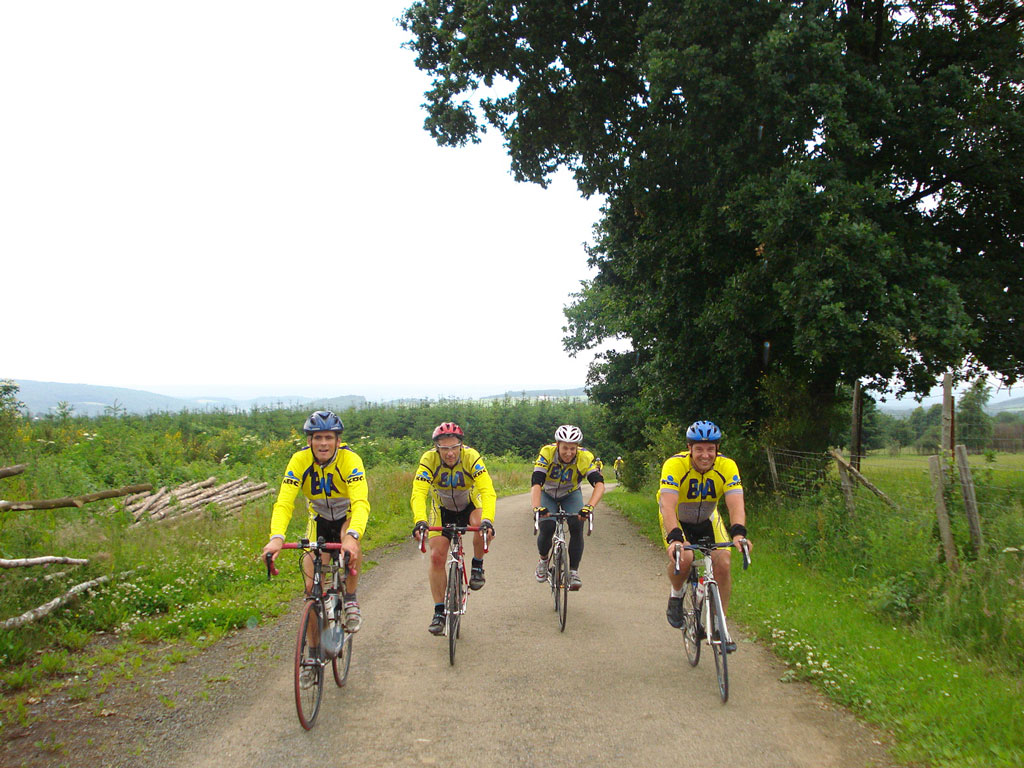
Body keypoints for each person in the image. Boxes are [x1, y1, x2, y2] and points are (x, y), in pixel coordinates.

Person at [262, 410, 368, 637]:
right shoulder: (299, 460)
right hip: (318, 518)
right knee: (311, 589)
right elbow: (284, 502)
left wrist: (353, 535)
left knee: (350, 546)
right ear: (309, 441)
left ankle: (349, 598)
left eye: (328, 437)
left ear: (338, 441)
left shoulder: (351, 460)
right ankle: (312, 656)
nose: (323, 443)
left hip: (346, 515)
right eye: (317, 438)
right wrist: (276, 538)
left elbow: (360, 502)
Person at [659, 420, 751, 650]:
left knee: (724, 561)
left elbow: (735, 502)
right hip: (677, 519)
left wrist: (739, 532)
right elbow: (667, 505)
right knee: (686, 558)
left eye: (711, 449)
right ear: (689, 448)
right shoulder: (675, 465)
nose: (705, 455)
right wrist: (675, 538)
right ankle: (677, 594)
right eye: (699, 448)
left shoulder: (727, 466)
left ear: (717, 450)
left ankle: (720, 626)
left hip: (708, 518)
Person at [411, 422, 496, 636]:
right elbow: (419, 493)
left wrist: (488, 520)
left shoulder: (471, 457)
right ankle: (439, 611)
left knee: (479, 527)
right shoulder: (428, 460)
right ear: (436, 448)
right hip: (442, 508)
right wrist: (420, 520)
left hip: (468, 504)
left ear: (461, 445)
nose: (449, 453)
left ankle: (477, 565)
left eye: (454, 447)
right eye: (444, 448)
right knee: (437, 556)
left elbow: (487, 490)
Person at [531, 424, 605, 590]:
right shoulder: (547, 453)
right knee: (547, 525)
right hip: (548, 493)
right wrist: (537, 507)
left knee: (577, 524)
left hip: (571, 493)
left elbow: (599, 484)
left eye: (573, 448)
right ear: (557, 445)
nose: (569, 453)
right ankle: (543, 560)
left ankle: (573, 572)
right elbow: (536, 482)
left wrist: (589, 507)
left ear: (577, 447)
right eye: (565, 448)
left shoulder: (584, 457)